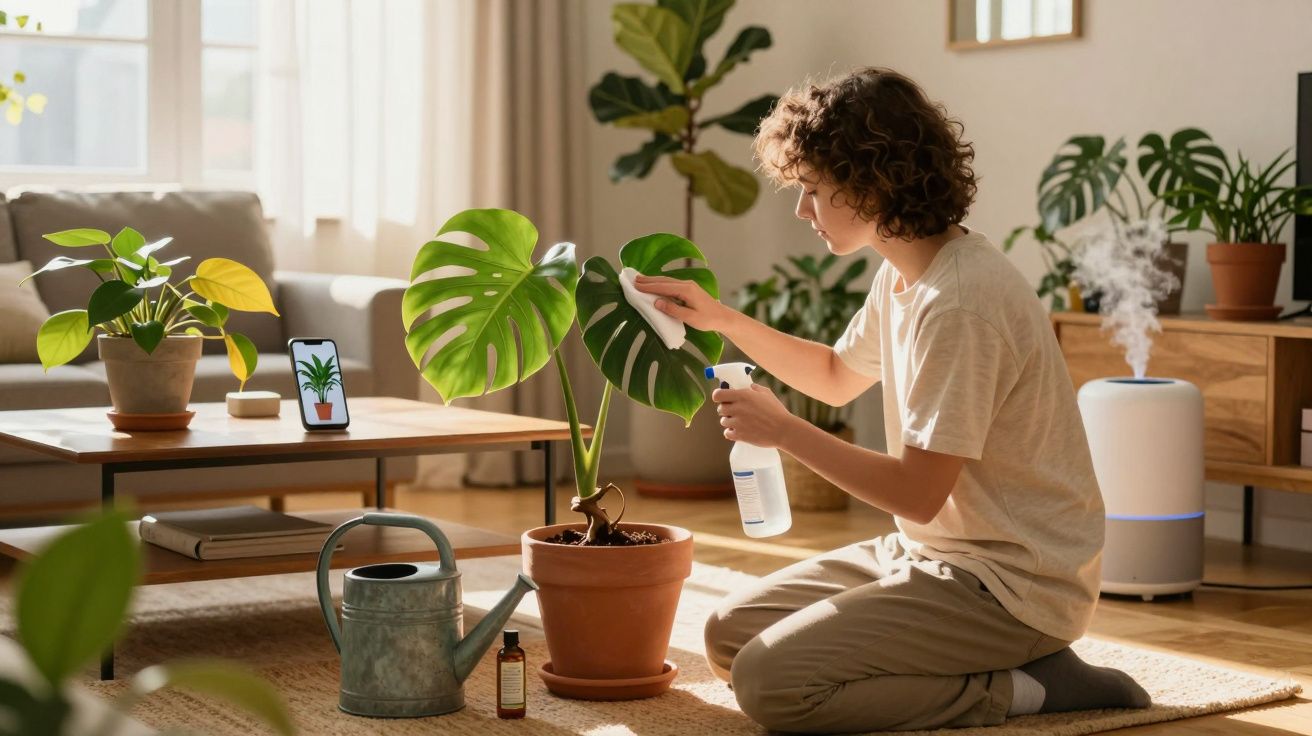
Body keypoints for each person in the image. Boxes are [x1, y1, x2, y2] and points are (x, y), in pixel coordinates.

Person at [633, 67, 1150, 733]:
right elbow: (833, 373)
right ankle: (997, 665)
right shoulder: (906, 275)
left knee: (773, 685)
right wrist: (722, 319)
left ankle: (1026, 688)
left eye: (814, 192)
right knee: (730, 634)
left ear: (872, 182)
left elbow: (917, 492)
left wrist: (784, 432)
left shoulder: (961, 303)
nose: (802, 211)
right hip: (933, 557)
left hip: (1012, 587)